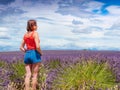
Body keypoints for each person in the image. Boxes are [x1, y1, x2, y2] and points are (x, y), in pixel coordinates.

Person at [20, 19, 42, 90]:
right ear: (32, 26)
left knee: (28, 75)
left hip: (27, 54)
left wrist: (26, 51)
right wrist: (41, 53)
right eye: (36, 25)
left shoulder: (25, 35)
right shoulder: (35, 33)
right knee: (34, 75)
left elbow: (21, 47)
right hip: (35, 53)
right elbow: (37, 46)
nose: (37, 26)